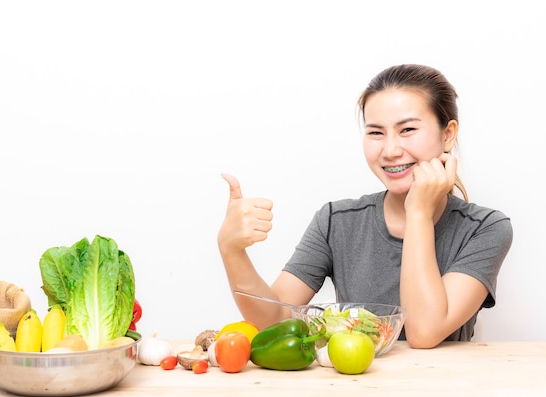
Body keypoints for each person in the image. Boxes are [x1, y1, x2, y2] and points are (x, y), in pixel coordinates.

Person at [217, 64, 513, 348]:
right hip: (353, 389)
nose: (391, 150)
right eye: (375, 132)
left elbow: (423, 333)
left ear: (447, 134)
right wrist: (232, 250)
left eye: (407, 129)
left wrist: (418, 212)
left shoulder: (485, 229)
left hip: (442, 391)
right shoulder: (336, 221)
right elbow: (274, 321)